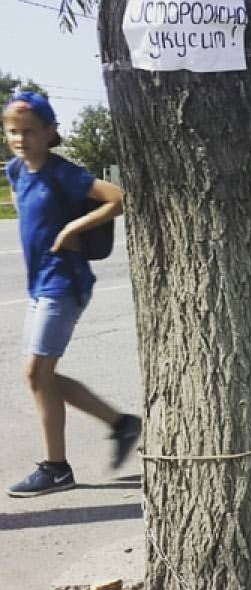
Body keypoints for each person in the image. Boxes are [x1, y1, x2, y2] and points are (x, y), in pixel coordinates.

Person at [3, 90, 140, 498]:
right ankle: (121, 424)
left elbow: (118, 199)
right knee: (42, 376)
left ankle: (56, 468)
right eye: (13, 131)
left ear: (49, 132)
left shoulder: (64, 173)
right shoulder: (15, 171)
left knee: (35, 373)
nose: (21, 138)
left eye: (30, 131)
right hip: (39, 283)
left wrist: (70, 229)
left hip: (65, 282)